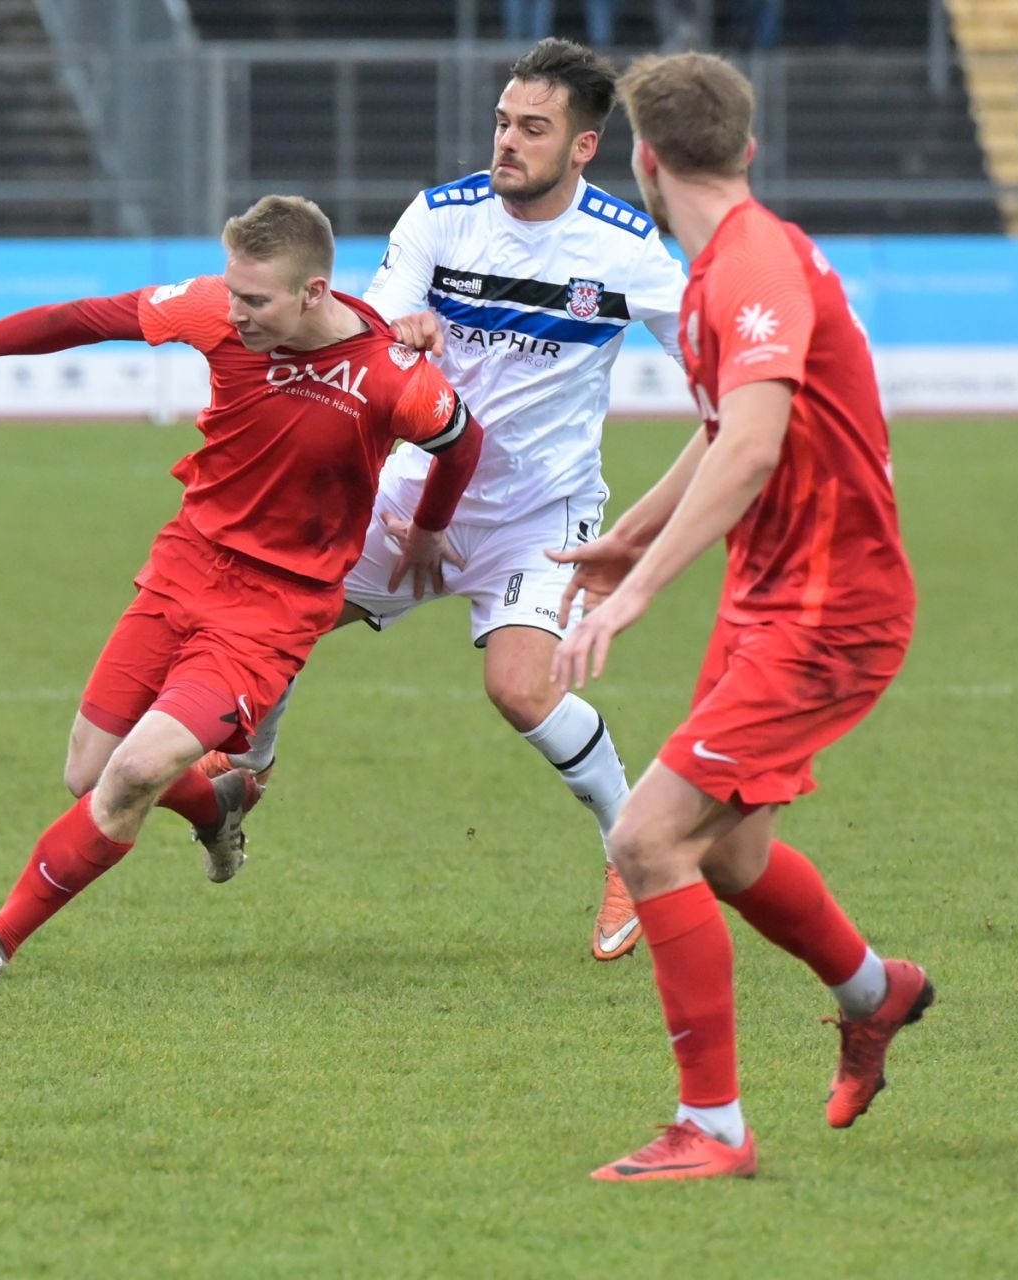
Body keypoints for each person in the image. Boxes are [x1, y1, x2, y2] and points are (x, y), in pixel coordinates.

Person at [0, 195, 484, 982]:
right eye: (233, 291)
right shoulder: (217, 314)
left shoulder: (389, 377)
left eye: (255, 299)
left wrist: (431, 528)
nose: (236, 312)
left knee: (132, 773)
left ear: (313, 292)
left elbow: (463, 444)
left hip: (273, 612)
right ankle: (217, 807)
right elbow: (86, 318)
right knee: (89, 774)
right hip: (186, 568)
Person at [204, 39, 686, 962]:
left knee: (518, 689)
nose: (508, 141)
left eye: (533, 129)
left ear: (582, 149)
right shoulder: (442, 215)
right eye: (504, 121)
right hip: (407, 497)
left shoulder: (626, 250)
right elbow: (375, 319)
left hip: (538, 520)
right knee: (274, 617)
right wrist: (402, 328)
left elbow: (711, 356)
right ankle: (249, 771)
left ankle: (638, 847)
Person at [548, 52, 932, 1180]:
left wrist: (643, 585)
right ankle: (876, 989)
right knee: (731, 851)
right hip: (775, 596)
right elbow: (727, 427)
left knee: (649, 836)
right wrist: (632, 536)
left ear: (643, 160)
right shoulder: (732, 260)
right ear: (747, 148)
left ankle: (710, 1125)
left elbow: (756, 444)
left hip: (829, 609)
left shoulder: (748, 268)